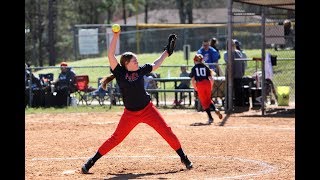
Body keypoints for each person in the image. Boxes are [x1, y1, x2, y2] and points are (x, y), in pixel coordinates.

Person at [80, 31, 193, 174]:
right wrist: (115, 36)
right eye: (134, 60)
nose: (137, 62)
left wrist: (166, 52)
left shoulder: (140, 70)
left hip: (148, 110)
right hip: (130, 114)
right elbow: (111, 55)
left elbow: (155, 64)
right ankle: (91, 161)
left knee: (167, 132)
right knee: (115, 139)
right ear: (126, 63)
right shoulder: (119, 73)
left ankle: (184, 157)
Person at [190, 54, 223, 124]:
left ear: (195, 61)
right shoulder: (205, 67)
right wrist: (210, 86)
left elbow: (193, 80)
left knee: (204, 102)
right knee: (208, 100)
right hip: (207, 83)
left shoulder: (194, 68)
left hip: (200, 84)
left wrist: (195, 87)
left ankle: (210, 118)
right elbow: (211, 78)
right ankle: (215, 109)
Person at [223, 39, 246, 107]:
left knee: (238, 90)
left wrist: (242, 71)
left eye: (233, 44)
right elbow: (228, 60)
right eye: (231, 45)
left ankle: (238, 105)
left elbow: (242, 63)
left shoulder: (238, 52)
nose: (233, 46)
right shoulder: (226, 53)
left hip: (238, 74)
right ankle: (228, 104)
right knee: (228, 90)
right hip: (230, 75)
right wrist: (232, 51)